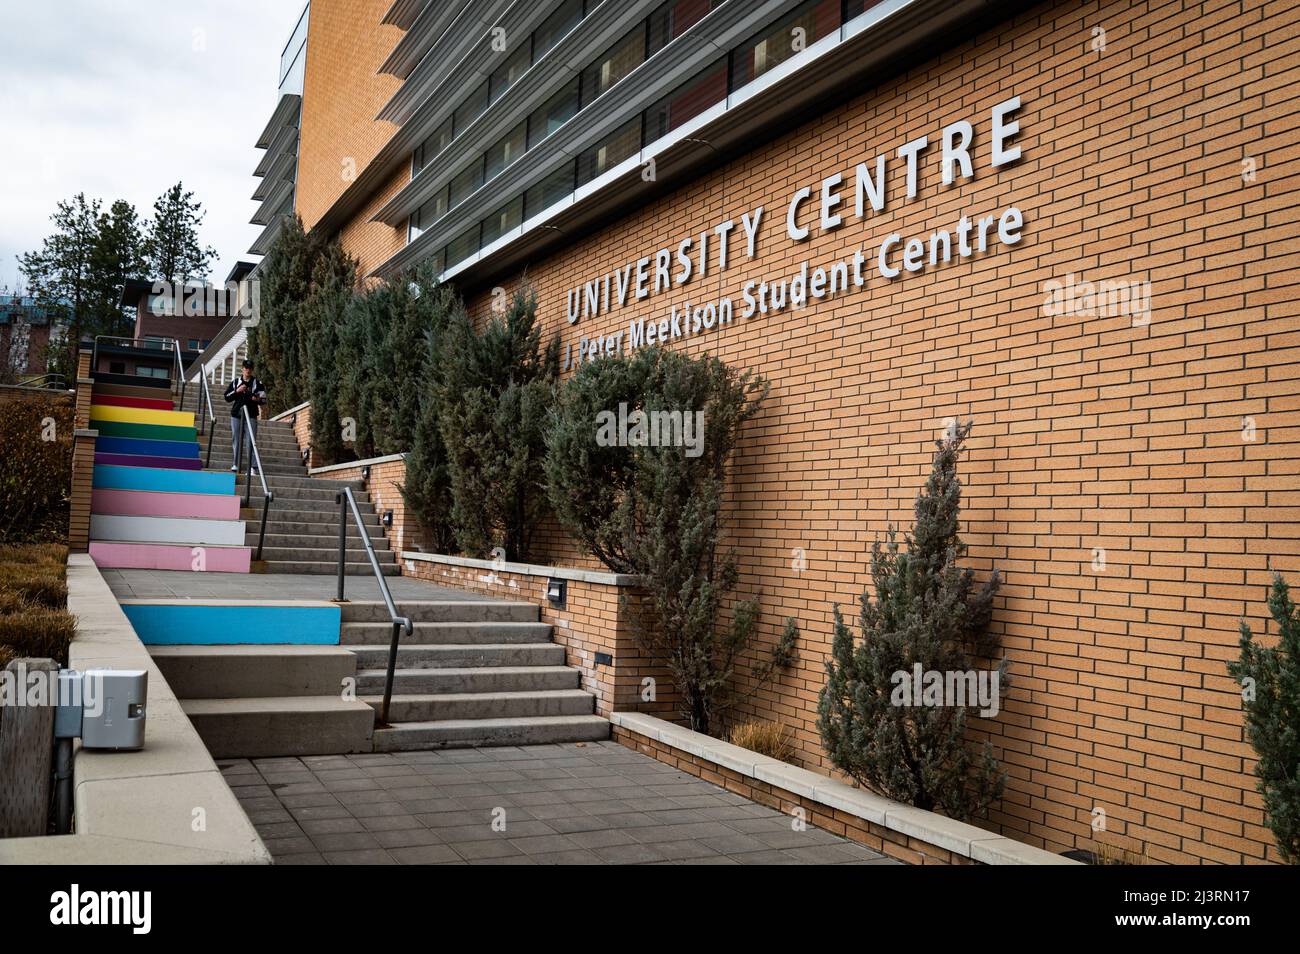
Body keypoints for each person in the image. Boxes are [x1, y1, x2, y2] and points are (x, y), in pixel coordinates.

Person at [224, 359, 266, 474]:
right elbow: (227, 397)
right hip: (236, 415)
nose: (248, 370)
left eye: (250, 368)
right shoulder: (235, 382)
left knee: (251, 441)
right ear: (242, 369)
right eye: (246, 368)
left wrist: (256, 399)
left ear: (252, 370)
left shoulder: (257, 383)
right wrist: (237, 391)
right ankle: (235, 465)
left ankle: (253, 467)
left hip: (251, 415)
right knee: (236, 440)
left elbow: (263, 399)